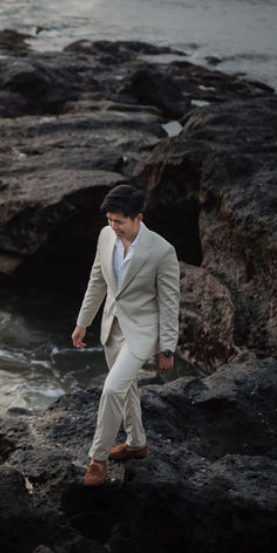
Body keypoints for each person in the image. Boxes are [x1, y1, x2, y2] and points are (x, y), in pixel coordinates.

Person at [71, 183, 180, 486]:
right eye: (109, 220)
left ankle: (98, 459)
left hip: (142, 333)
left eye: (119, 221)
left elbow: (170, 303)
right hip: (111, 327)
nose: (113, 226)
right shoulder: (106, 237)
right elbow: (98, 281)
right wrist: (84, 322)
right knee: (128, 388)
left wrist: (167, 349)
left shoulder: (162, 251)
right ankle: (136, 443)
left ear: (138, 218)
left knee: (112, 389)